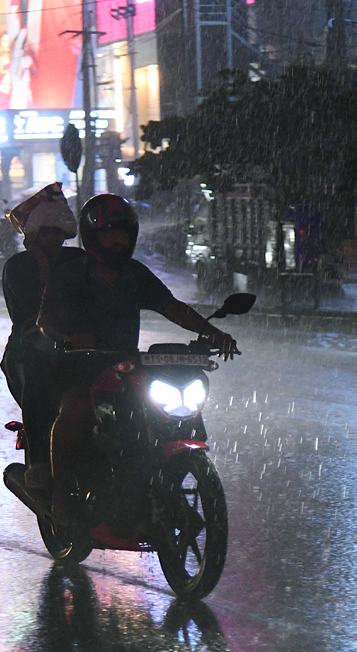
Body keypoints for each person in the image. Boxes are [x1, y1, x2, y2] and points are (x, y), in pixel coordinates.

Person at [38, 194, 239, 526]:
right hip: (79, 368)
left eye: (125, 234)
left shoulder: (135, 275)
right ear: (92, 237)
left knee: (160, 414)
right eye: (110, 234)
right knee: (75, 410)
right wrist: (71, 337)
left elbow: (172, 307)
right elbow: (47, 321)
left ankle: (155, 486)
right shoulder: (72, 275)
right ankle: (61, 495)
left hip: (125, 369)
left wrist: (212, 333)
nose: (119, 241)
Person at [0, 184, 86, 489]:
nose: (52, 239)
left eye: (57, 232)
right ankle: (38, 464)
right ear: (34, 236)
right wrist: (42, 267)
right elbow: (33, 316)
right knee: (38, 380)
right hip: (30, 348)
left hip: (80, 346)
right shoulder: (18, 267)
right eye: (45, 233)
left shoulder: (77, 261)